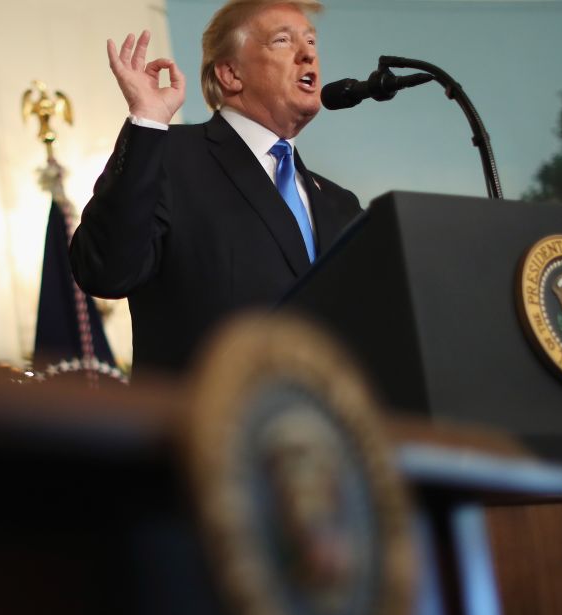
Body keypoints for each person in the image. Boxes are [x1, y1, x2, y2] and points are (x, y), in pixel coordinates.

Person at [70, 0, 361, 374]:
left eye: (311, 42)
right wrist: (147, 122)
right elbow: (105, 270)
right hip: (200, 424)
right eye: (282, 41)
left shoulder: (341, 204)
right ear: (229, 73)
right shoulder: (169, 156)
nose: (307, 55)